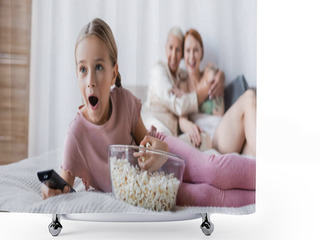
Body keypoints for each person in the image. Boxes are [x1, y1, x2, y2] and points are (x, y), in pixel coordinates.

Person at [41, 18, 255, 208]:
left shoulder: (123, 100)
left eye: (98, 67)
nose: (91, 82)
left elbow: (150, 140)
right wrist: (50, 189)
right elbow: (63, 184)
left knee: (212, 170)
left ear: (113, 72)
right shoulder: (76, 134)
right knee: (204, 195)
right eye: (83, 70)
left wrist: (159, 148)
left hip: (163, 151)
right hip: (148, 186)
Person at [178, 29, 256, 157]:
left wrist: (220, 75)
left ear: (201, 52)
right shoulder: (182, 84)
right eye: (187, 51)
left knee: (253, 151)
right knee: (248, 97)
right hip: (212, 139)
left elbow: (216, 77)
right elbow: (181, 116)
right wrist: (188, 126)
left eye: (196, 50)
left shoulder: (210, 72)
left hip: (227, 132)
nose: (191, 56)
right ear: (183, 54)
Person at [141, 27, 225, 139]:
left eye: (178, 50)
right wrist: (205, 91)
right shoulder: (159, 71)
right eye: (170, 48)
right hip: (155, 123)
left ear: (181, 55)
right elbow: (178, 105)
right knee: (163, 137)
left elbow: (199, 74)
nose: (174, 55)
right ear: (165, 48)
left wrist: (221, 76)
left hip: (172, 132)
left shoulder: (182, 76)